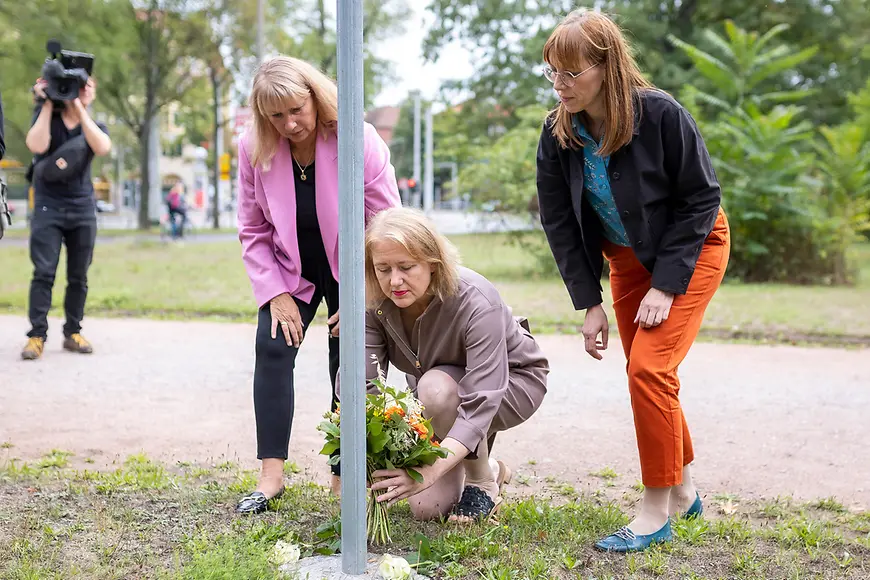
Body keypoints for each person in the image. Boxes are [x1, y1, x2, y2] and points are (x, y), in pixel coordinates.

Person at [536, 9, 731, 552]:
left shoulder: (660, 114)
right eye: (552, 72)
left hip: (691, 250)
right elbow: (559, 222)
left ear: (607, 67)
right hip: (626, 261)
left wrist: (667, 285)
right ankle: (686, 489)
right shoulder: (557, 135)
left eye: (572, 73)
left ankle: (655, 508)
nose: (560, 85)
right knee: (648, 372)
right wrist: (588, 302)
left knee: (649, 367)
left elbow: (701, 197)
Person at [234, 56, 401, 514]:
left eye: (296, 109)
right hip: (289, 269)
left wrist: (365, 291)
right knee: (271, 347)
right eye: (276, 116)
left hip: (353, 265)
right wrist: (274, 292)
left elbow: (386, 223)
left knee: (348, 354)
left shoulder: (357, 138)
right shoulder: (254, 148)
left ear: (314, 96)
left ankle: (342, 473)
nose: (289, 123)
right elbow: (252, 230)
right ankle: (271, 477)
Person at [353, 207, 549, 522]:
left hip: (509, 384)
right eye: (383, 268)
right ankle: (493, 467)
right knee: (427, 510)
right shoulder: (373, 303)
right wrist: (371, 455)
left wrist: (430, 471)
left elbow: (479, 403)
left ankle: (482, 481)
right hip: (440, 394)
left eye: (406, 267)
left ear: (432, 262)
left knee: (435, 389)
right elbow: (361, 386)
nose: (395, 281)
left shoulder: (476, 300)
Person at [21, 76, 112, 360]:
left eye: (87, 87)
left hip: (82, 206)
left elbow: (102, 146)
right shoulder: (47, 117)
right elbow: (36, 145)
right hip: (49, 206)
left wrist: (78, 105)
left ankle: (73, 331)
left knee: (78, 275)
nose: (82, 91)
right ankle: (36, 335)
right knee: (44, 273)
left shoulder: (92, 125)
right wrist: (47, 103)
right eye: (76, 86)